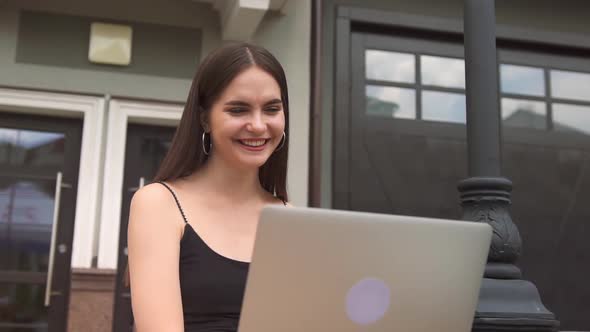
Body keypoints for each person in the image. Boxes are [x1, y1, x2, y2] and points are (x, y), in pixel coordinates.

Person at [126, 42, 290, 332]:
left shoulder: (289, 218)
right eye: (238, 110)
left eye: (271, 109)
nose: (258, 125)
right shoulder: (158, 204)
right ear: (205, 118)